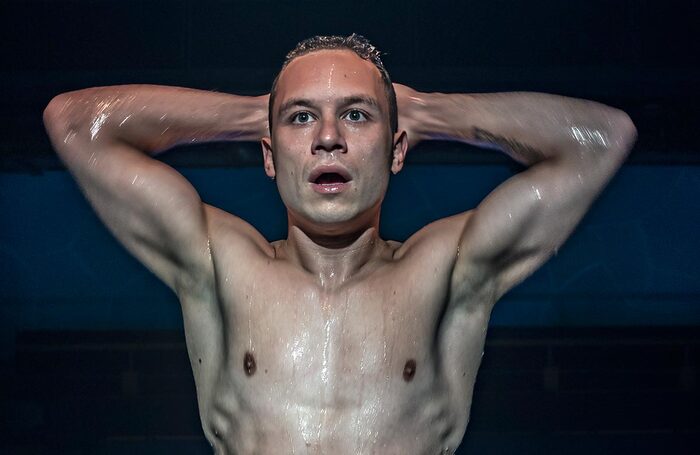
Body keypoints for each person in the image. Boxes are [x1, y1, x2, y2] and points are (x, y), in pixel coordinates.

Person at [42, 34, 636, 454]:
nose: (329, 138)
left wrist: (425, 110)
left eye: (356, 115)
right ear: (269, 156)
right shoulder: (220, 264)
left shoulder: (446, 270)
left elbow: (603, 140)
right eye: (302, 119)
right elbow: (76, 125)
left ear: (397, 148)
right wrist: (257, 114)